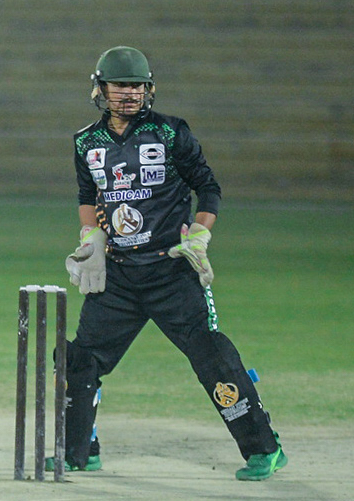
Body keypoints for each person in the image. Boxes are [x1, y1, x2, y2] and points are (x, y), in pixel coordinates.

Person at [60, 46, 286, 481]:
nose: (129, 93)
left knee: (212, 358)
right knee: (80, 361)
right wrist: (91, 237)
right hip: (118, 274)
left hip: (172, 271)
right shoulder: (85, 141)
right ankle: (79, 452)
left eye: (137, 85)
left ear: (149, 89)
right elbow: (87, 195)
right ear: (100, 88)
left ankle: (265, 449)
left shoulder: (170, 132)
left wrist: (200, 233)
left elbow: (208, 186)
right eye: (120, 85)